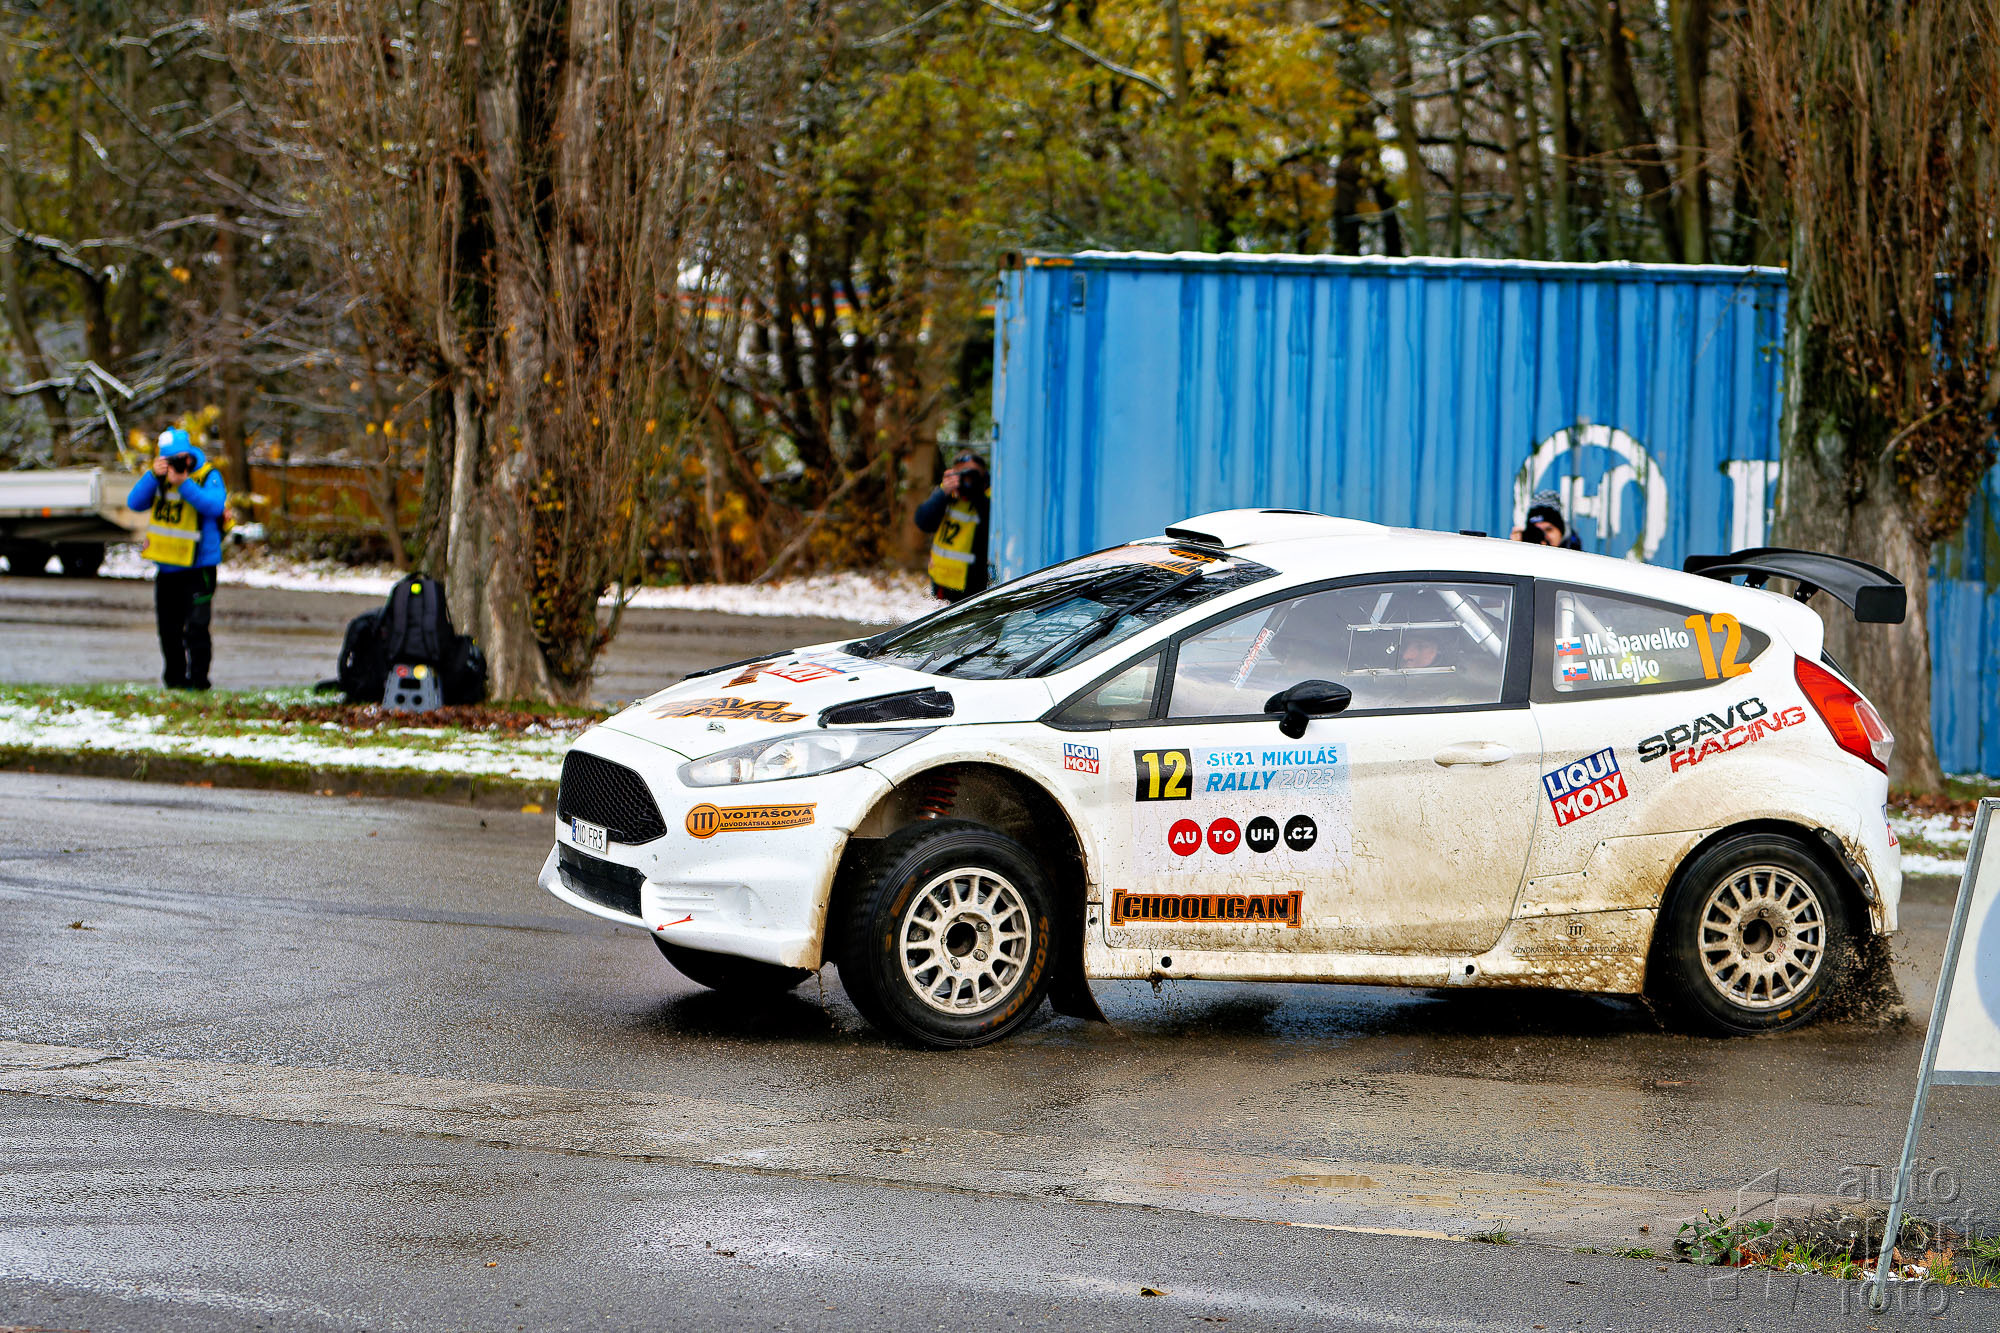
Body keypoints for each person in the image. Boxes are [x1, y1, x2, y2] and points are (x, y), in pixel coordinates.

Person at [127, 428, 228, 690]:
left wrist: (184, 483)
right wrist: (152, 475)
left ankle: (199, 681)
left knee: (196, 627)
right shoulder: (158, 478)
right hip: (167, 567)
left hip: (199, 566)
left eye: (181, 458)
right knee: (168, 630)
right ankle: (174, 681)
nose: (177, 464)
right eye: (170, 459)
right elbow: (134, 503)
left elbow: (214, 506)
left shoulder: (207, 475)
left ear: (190, 454)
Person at [914, 451, 990, 602]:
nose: (967, 480)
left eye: (972, 474)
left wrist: (976, 494)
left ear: (983, 475)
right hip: (941, 581)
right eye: (962, 474)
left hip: (973, 585)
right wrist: (942, 493)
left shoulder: (990, 496)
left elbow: (989, 527)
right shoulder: (949, 494)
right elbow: (923, 522)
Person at [1511, 488, 1584, 549]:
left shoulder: (1576, 556)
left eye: (1548, 529)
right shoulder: (1524, 554)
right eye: (1536, 531)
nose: (1544, 536)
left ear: (1561, 531)